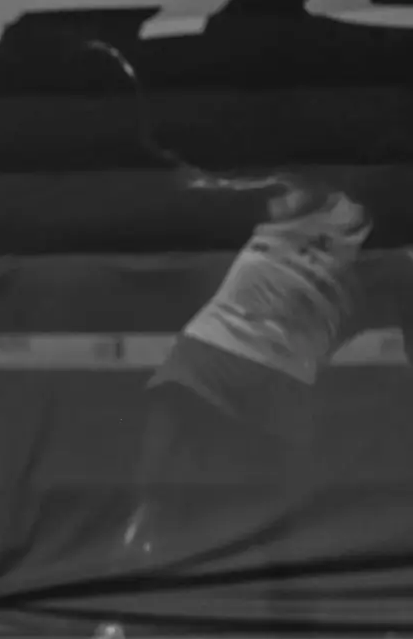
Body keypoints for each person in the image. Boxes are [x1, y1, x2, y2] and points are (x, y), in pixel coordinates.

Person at [118, 174, 373, 574]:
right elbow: (261, 186)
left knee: (276, 525)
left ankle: (276, 615)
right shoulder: (308, 194)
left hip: (283, 372)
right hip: (215, 344)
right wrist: (210, 183)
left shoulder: (386, 248)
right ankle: (123, 602)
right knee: (156, 495)